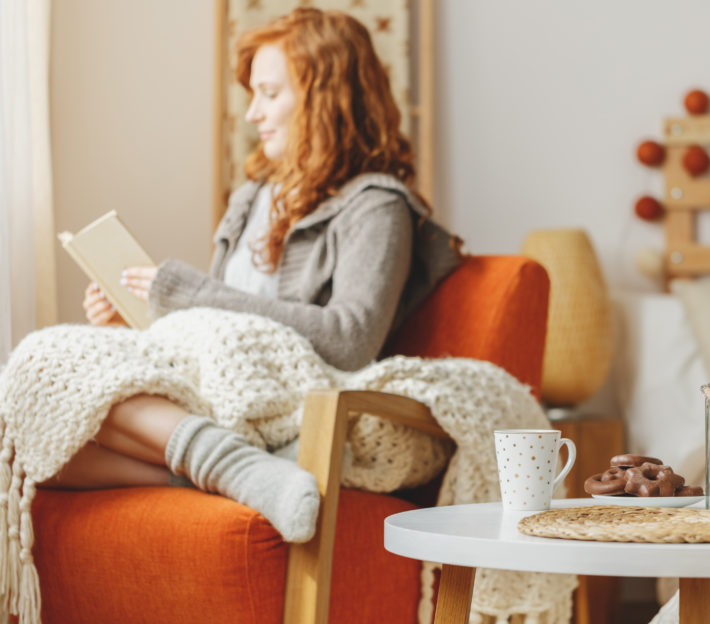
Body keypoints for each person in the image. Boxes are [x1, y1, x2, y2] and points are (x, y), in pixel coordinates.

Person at [48, 8, 460, 544]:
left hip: (282, 402)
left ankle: (230, 464)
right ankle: (237, 473)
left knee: (56, 367)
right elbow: (212, 330)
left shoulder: (375, 206)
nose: (253, 115)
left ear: (323, 97)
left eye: (268, 94)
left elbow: (352, 339)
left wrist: (191, 294)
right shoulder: (249, 201)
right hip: (214, 388)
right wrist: (134, 322)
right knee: (34, 435)